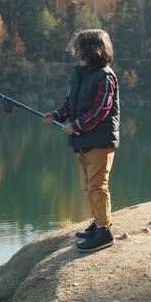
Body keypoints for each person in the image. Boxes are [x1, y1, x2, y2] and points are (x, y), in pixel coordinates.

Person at [43, 29, 120, 252]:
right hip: (82, 140)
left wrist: (76, 125)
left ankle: (104, 232)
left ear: (93, 50)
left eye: (79, 50)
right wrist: (57, 115)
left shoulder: (106, 76)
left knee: (98, 185)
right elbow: (70, 102)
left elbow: (101, 110)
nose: (76, 54)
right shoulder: (79, 73)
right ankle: (97, 224)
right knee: (87, 185)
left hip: (100, 140)